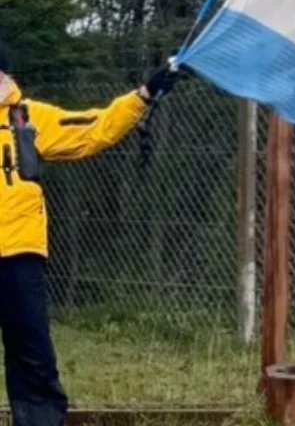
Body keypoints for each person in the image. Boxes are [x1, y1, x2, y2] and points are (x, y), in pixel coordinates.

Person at [0, 42, 180, 426]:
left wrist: (143, 96)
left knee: (31, 353)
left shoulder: (26, 118)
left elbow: (92, 128)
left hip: (18, 253)